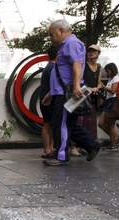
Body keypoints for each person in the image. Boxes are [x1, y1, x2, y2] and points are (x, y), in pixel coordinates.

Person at [44, 19, 101, 166]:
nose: (51, 37)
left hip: (67, 93)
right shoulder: (65, 45)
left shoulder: (72, 43)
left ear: (61, 30)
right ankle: (92, 146)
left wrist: (76, 86)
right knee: (69, 124)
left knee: (60, 124)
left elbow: (77, 65)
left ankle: (61, 156)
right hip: (62, 92)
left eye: (52, 34)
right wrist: (51, 93)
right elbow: (63, 72)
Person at [80, 44, 104, 139]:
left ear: (98, 53)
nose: (91, 53)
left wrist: (97, 88)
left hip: (93, 99)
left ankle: (90, 144)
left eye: (94, 51)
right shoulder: (83, 65)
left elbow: (99, 82)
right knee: (81, 122)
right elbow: (79, 81)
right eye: (89, 51)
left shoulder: (99, 67)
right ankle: (77, 146)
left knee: (92, 123)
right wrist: (89, 89)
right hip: (82, 98)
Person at [98, 63, 119, 150]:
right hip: (108, 101)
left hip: (113, 102)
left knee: (110, 124)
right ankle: (115, 140)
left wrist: (103, 87)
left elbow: (113, 91)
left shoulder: (116, 78)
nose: (107, 73)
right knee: (101, 124)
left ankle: (114, 143)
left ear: (112, 70)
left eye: (108, 71)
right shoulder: (110, 79)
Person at [39, 46, 57, 159]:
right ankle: (47, 149)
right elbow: (54, 86)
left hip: (46, 99)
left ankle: (50, 148)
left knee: (50, 124)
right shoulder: (53, 68)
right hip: (48, 100)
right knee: (47, 124)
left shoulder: (49, 67)